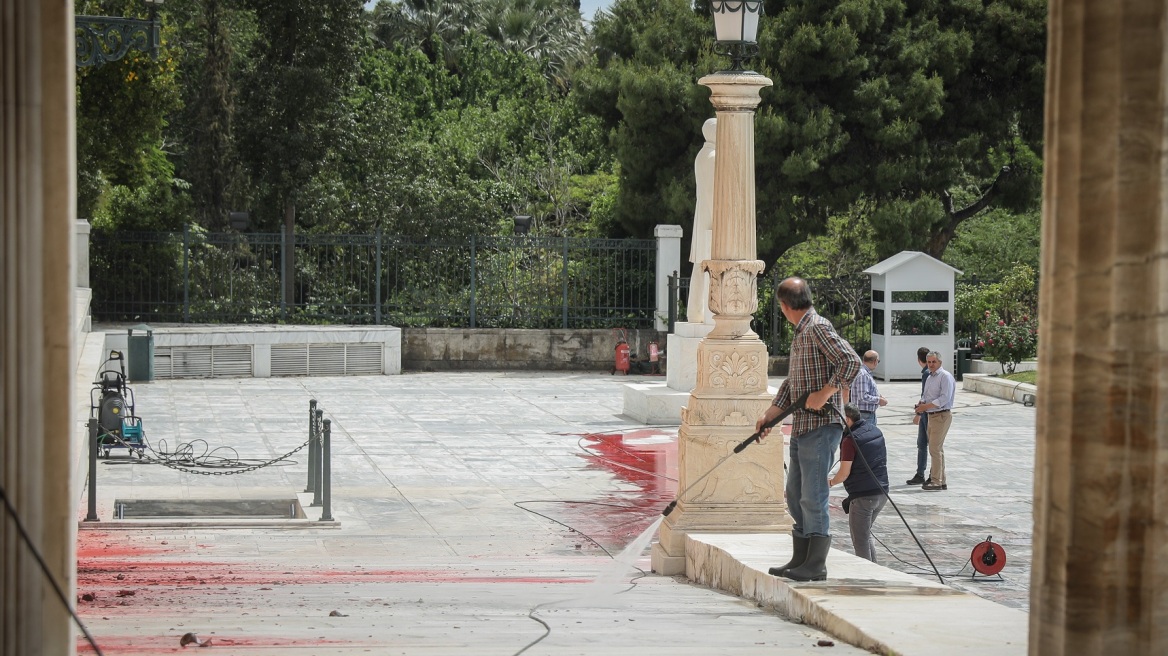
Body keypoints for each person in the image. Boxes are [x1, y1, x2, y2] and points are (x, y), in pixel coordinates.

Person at [756, 277, 862, 582]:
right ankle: (800, 558)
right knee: (794, 494)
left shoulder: (817, 327)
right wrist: (771, 414)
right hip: (802, 425)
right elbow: (793, 383)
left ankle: (816, 565)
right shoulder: (801, 333)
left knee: (812, 495)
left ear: (784, 306)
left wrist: (827, 392)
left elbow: (851, 362)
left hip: (822, 426)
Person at [829, 404, 889, 563]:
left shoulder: (850, 440)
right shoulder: (874, 430)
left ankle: (869, 576)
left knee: (860, 540)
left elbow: (843, 473)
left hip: (863, 497)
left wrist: (830, 482)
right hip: (882, 493)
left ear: (847, 419)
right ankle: (876, 571)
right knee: (866, 534)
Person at [686, 118, 716, 324]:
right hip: (712, 218)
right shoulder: (714, 157)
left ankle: (695, 313)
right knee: (709, 267)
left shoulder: (702, 154)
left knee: (700, 267)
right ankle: (707, 314)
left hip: (703, 215)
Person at [914, 350, 955, 491]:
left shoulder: (945, 376)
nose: (931, 364)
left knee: (934, 449)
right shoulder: (930, 377)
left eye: (934, 362)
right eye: (929, 362)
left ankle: (936, 481)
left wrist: (926, 406)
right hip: (931, 416)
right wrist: (921, 405)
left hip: (941, 415)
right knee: (937, 448)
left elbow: (944, 398)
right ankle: (941, 480)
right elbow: (926, 396)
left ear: (940, 362)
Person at [906, 346, 931, 485]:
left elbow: (925, 395)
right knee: (923, 444)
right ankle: (921, 473)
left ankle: (924, 473)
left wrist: (919, 413)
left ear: (918, 360)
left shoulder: (926, 373)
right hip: (925, 412)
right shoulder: (928, 372)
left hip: (926, 413)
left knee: (926, 444)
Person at [847, 350, 887, 424]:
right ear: (875, 361)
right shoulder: (863, 374)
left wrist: (878, 395)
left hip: (866, 414)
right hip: (865, 415)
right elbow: (863, 396)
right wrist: (879, 400)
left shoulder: (864, 373)